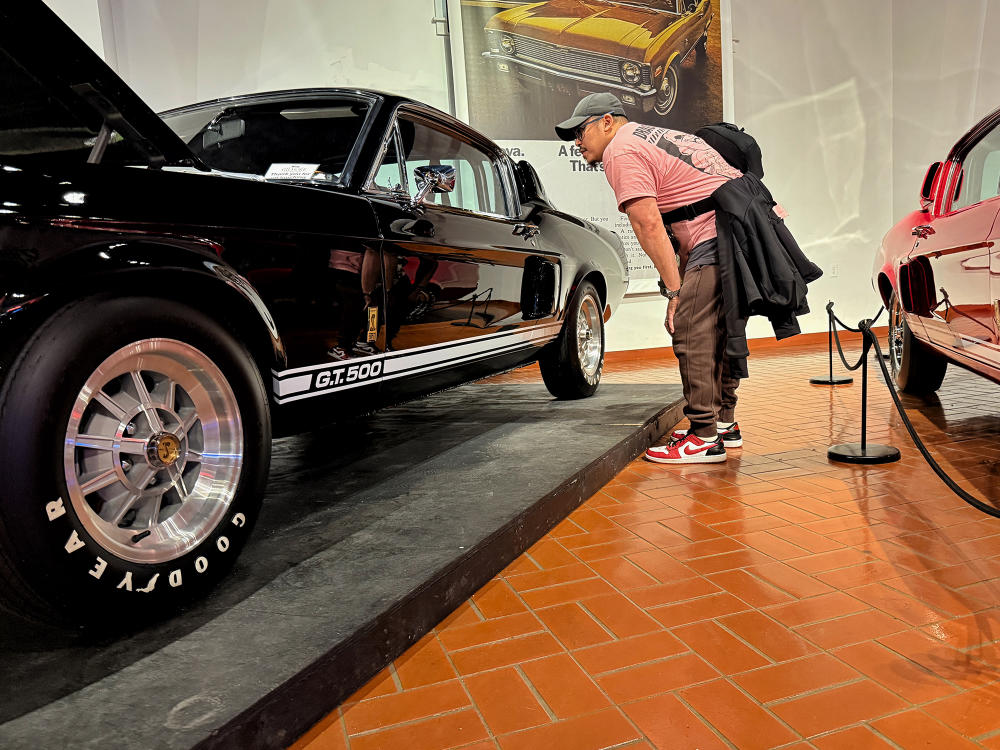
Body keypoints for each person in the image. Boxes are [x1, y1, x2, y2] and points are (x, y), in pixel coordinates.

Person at [555, 93, 744, 464]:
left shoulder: (621, 151)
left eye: (580, 131)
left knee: (690, 328)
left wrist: (675, 291)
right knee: (719, 328)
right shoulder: (648, 135)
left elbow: (648, 224)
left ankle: (704, 437)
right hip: (741, 228)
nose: (577, 142)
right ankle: (724, 424)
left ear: (607, 121)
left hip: (719, 233)